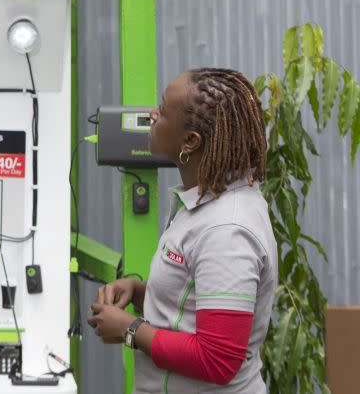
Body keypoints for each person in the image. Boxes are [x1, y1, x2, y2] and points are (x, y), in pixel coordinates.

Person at [87, 68, 277, 392]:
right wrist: (138, 291)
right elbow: (193, 311)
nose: (152, 115)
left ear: (190, 141)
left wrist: (130, 329)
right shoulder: (204, 203)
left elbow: (217, 359)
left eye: (162, 110)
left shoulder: (227, 231)